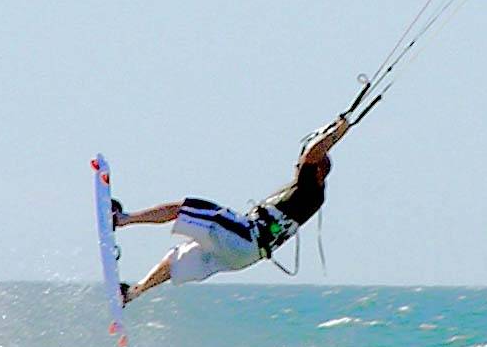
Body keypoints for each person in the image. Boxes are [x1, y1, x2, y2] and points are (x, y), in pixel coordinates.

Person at [114, 114, 350, 305]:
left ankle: (122, 219)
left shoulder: (310, 189)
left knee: (186, 207)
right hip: (243, 256)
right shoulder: (309, 193)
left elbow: (312, 154)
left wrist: (338, 131)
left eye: (302, 164)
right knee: (176, 259)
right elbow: (310, 154)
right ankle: (132, 294)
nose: (297, 165)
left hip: (246, 236)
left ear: (318, 171)